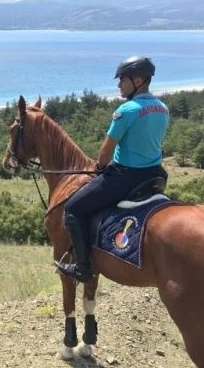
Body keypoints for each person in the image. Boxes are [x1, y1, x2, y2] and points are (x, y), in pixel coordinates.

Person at [56, 56, 170, 283]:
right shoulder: (162, 108)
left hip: (125, 177)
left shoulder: (126, 110)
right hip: (155, 175)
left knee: (73, 210)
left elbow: (107, 149)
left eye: (122, 80)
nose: (119, 85)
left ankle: (83, 268)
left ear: (137, 80)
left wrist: (100, 167)